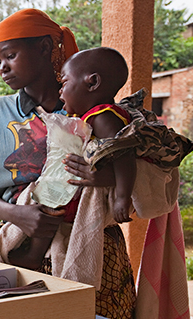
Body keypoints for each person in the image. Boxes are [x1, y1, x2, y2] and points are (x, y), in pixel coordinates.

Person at [0, 9, 135, 319]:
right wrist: (17, 215)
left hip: (92, 251)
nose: (2, 68)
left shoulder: (96, 107)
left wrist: (102, 179)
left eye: (10, 55)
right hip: (16, 251)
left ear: (45, 48)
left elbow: (139, 170)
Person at [60, 47, 134, 223]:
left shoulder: (103, 117)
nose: (60, 92)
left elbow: (124, 156)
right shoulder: (89, 117)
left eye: (64, 83)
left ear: (92, 83)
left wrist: (122, 197)